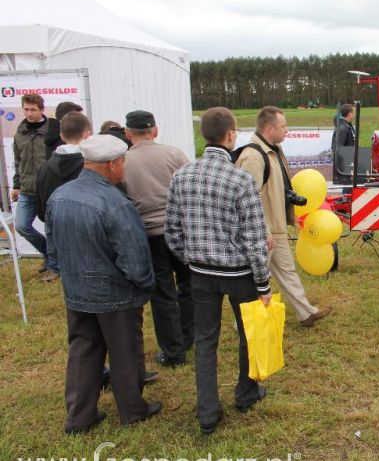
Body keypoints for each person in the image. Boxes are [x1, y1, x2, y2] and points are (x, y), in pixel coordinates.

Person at [166, 107, 272, 434]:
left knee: (205, 341)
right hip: (239, 274)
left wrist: (193, 258)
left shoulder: (181, 176)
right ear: (230, 136)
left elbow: (172, 231)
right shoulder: (240, 180)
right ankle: (245, 392)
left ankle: (207, 413)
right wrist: (264, 285)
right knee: (248, 334)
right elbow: (255, 239)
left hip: (200, 275)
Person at [46, 134, 161, 434]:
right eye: (123, 161)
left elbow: (53, 249)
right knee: (124, 351)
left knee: (83, 349)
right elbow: (134, 259)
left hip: (76, 292)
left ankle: (79, 416)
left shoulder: (59, 196)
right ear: (112, 164)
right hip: (115, 294)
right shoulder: (115, 204)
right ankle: (133, 410)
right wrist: (145, 286)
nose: (124, 167)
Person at [235, 106, 331, 327]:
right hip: (263, 231)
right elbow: (250, 198)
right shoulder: (252, 156)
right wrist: (264, 230)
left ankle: (306, 313)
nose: (287, 130)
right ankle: (244, 323)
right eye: (283, 126)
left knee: (287, 271)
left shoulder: (273, 149)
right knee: (254, 280)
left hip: (275, 227)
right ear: (270, 128)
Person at [124, 110, 193, 368]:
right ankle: (188, 336)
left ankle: (174, 351)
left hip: (149, 235)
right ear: (155, 130)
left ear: (128, 134)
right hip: (180, 230)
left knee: (162, 293)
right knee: (188, 285)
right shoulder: (175, 154)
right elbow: (190, 188)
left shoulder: (124, 160)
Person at [34, 112, 93, 283]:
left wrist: (45, 215)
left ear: (61, 135)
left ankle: (54, 268)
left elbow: (41, 193)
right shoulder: (90, 164)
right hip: (84, 220)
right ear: (88, 134)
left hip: (54, 216)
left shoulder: (46, 166)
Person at [11, 93, 60, 277]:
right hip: (26, 189)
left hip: (47, 189)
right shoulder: (20, 132)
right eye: (26, 109)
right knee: (22, 226)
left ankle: (54, 268)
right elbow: (18, 161)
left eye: (33, 109)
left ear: (41, 109)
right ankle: (48, 253)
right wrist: (16, 185)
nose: (29, 113)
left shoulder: (52, 132)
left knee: (50, 229)